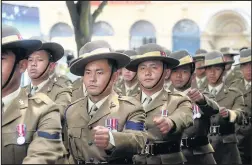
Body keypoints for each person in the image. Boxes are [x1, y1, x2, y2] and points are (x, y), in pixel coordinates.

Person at [65, 40, 147, 164]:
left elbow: (139, 140)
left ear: (114, 77)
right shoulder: (72, 111)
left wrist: (113, 139)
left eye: (99, 72)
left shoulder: (130, 108)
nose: (92, 79)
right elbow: (68, 151)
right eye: (88, 73)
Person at [2, 24, 64, 164]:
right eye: (32, 60)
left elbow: (42, 155)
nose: (34, 64)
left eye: (1, 59)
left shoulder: (44, 110)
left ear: (22, 66)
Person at [126, 43, 193, 164]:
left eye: (154, 67)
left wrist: (170, 122)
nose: (147, 73)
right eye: (142, 68)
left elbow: (185, 116)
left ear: (166, 73)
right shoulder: (126, 103)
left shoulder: (178, 100)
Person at [25, 38, 72, 163]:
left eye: (39, 60)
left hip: (52, 157)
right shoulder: (22, 92)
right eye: (30, 59)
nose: (33, 64)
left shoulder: (61, 89)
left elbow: (59, 112)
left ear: (51, 66)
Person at [169, 50, 219, 164]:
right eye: (175, 71)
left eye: (184, 71)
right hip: (173, 156)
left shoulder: (202, 95)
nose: (179, 76)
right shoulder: (163, 99)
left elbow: (214, 109)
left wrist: (201, 100)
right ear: (169, 74)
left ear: (192, 76)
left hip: (200, 156)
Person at [198, 50, 246, 164]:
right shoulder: (198, 96)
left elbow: (240, 115)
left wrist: (230, 114)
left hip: (227, 148)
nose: (212, 73)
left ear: (224, 70)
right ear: (205, 71)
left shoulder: (234, 93)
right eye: (209, 69)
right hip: (204, 148)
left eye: (217, 69)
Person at [230, 48, 252, 164]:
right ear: (241, 68)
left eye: (251, 65)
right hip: (237, 134)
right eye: (245, 65)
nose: (249, 69)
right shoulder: (234, 86)